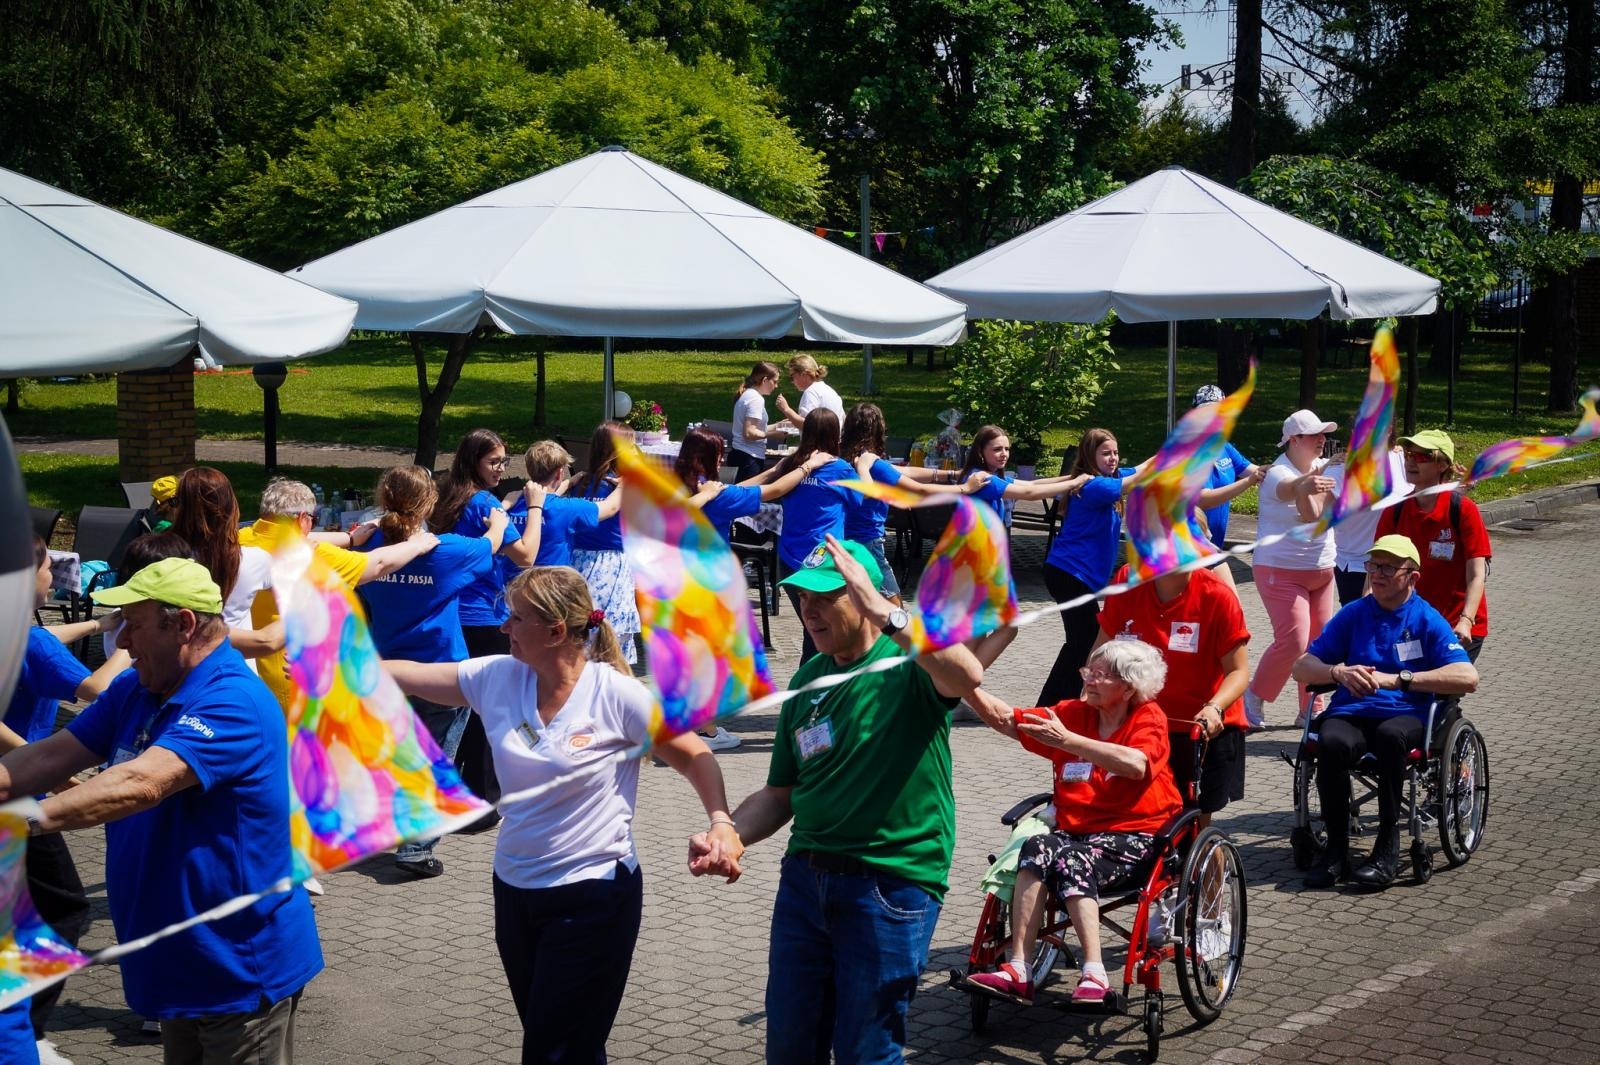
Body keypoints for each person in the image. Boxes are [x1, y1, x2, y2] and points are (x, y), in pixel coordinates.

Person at [385, 567, 743, 1065]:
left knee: (554, 1050)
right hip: (514, 890)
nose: (505, 627)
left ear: (556, 631)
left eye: (516, 619)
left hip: (592, 894)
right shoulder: (497, 677)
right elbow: (415, 677)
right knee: (562, 1038)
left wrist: (721, 822)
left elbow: (696, 756)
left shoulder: (616, 695)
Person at [0, 557, 323, 1062]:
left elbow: (140, 782)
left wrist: (17, 822)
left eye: (135, 623)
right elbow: (47, 756)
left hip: (236, 967)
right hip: (177, 960)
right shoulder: (139, 687)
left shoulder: (233, 700)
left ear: (184, 624)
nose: (122, 640)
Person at [687, 537, 984, 1064]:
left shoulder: (908, 661)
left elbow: (967, 675)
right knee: (790, 1048)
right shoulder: (808, 679)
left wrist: (893, 616)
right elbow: (782, 793)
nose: (809, 609)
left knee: (865, 1052)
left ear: (868, 598)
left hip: (889, 886)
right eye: (802, 598)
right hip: (805, 884)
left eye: (827, 597)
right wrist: (728, 833)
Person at [963, 640, 1182, 1005]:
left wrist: (1069, 741)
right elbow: (1009, 720)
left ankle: (1094, 973)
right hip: (1076, 835)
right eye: (1088, 672)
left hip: (1136, 838)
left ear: (1128, 687)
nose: (1089, 681)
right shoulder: (1075, 714)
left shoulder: (1148, 718)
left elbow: (1135, 764)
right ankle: (1019, 967)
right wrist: (966, 687)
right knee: (1035, 847)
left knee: (1070, 858)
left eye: (1101, 675)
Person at [1291, 535, 1478, 890]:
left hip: (1405, 713)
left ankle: (1387, 847)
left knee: (1390, 737)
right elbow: (1302, 667)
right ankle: (1336, 852)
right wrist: (1337, 672)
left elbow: (1467, 676)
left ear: (1413, 576)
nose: (1377, 574)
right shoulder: (1354, 614)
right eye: (1373, 565)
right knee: (1329, 740)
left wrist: (1401, 679)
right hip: (1353, 708)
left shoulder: (1427, 619)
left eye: (1388, 568)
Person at [3, 539, 129, 1058]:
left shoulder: (23, 637)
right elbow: (99, 691)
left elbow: (47, 637)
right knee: (65, 908)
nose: (54, 575)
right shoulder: (30, 645)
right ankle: (26, 1031)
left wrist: (99, 625)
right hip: (18, 798)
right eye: (47, 568)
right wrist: (127, 644)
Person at [358, 465, 508, 877]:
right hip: (442, 671)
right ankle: (415, 850)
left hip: (387, 668)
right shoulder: (449, 550)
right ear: (429, 503)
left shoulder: (368, 546)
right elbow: (492, 546)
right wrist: (499, 519)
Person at [239, 477, 441, 713]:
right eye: (312, 519)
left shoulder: (241, 538)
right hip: (292, 678)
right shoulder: (313, 555)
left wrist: (351, 538)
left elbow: (307, 537)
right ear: (302, 519)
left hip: (248, 668)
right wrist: (417, 544)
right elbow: (377, 564)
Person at [432, 429, 538, 818]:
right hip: (484, 615)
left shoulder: (447, 496)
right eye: (494, 461)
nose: (500, 468)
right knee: (490, 706)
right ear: (474, 461)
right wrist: (537, 509)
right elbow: (525, 555)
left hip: (449, 612)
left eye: (504, 461)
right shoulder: (483, 502)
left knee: (456, 705)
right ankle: (483, 795)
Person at [1095, 564, 1250, 824]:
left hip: (1198, 729)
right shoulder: (1128, 579)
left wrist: (1214, 707)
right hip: (1139, 725)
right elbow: (1101, 646)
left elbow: (1239, 671)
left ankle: (1210, 862)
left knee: (1194, 826)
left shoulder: (1217, 595)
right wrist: (1090, 696)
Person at [1037, 428, 1147, 706]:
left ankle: (1059, 703)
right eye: (1105, 453)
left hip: (1076, 576)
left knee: (1083, 640)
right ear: (1090, 455)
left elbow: (1142, 467)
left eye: (1115, 452)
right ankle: (1052, 705)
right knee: (1083, 640)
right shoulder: (1095, 486)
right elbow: (1138, 479)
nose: (1113, 458)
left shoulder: (1108, 478)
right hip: (1067, 573)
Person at [1244, 409, 1339, 728]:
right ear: (1294, 440)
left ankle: (1311, 706)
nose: (1322, 439)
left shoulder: (1322, 469)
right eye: (1315, 434)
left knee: (1320, 642)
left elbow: (1328, 513)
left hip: (1323, 569)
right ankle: (1254, 696)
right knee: (1294, 641)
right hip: (1279, 569)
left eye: (1324, 434)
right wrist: (1307, 484)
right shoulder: (1277, 474)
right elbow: (1291, 491)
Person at [838, 403, 982, 604]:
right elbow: (920, 489)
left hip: (843, 539)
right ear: (878, 429)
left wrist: (952, 474)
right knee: (894, 609)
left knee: (859, 603)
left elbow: (902, 471)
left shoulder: (843, 459)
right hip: (867, 541)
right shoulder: (869, 462)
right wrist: (964, 488)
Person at [1377, 430, 1490, 661]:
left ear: (1442, 465)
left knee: (1443, 694)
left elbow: (1477, 575)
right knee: (1409, 690)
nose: (1410, 461)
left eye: (1421, 457)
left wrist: (1466, 620)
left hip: (1457, 627)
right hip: (1410, 625)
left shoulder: (1463, 510)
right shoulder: (1395, 511)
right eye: (1409, 454)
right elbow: (1376, 570)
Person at [759, 409, 860, 662]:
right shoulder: (841, 469)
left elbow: (771, 485)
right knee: (823, 632)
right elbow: (861, 502)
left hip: (789, 561)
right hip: (822, 563)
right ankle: (811, 690)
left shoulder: (793, 465)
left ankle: (813, 689)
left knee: (814, 629)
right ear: (835, 434)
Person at [169, 466, 275, 642]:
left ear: (180, 509)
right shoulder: (256, 560)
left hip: (180, 664)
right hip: (241, 663)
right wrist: (268, 638)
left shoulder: (165, 559)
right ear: (232, 506)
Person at [568, 423, 642, 667]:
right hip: (611, 564)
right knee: (612, 635)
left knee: (581, 631)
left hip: (579, 562)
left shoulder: (579, 483)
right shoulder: (623, 486)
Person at [504, 441, 622, 568]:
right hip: (552, 583)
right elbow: (610, 507)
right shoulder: (567, 508)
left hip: (512, 584)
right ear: (560, 473)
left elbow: (547, 499)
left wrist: (568, 483)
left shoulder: (512, 503)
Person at [1327, 427, 1408, 605]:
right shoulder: (1341, 467)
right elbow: (1313, 512)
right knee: (1360, 626)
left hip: (1396, 562)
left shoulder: (1401, 458)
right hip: (1355, 563)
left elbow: (1425, 491)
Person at [1190, 385, 1263, 548]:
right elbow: (1204, 499)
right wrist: (1249, 481)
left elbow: (1255, 470)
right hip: (1191, 547)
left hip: (1213, 545)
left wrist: (1290, 469)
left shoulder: (1223, 446)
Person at [730, 361, 789, 482]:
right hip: (749, 458)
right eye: (775, 381)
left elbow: (755, 429)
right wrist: (775, 435)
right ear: (765, 380)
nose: (776, 386)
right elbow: (749, 433)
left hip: (740, 454)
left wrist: (779, 425)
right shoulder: (756, 399)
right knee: (747, 499)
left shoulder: (748, 394)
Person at [775, 354, 845, 429]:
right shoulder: (829, 390)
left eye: (792, 376)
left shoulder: (811, 392)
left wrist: (786, 409)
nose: (792, 381)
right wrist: (793, 420)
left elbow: (807, 425)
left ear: (803, 375)